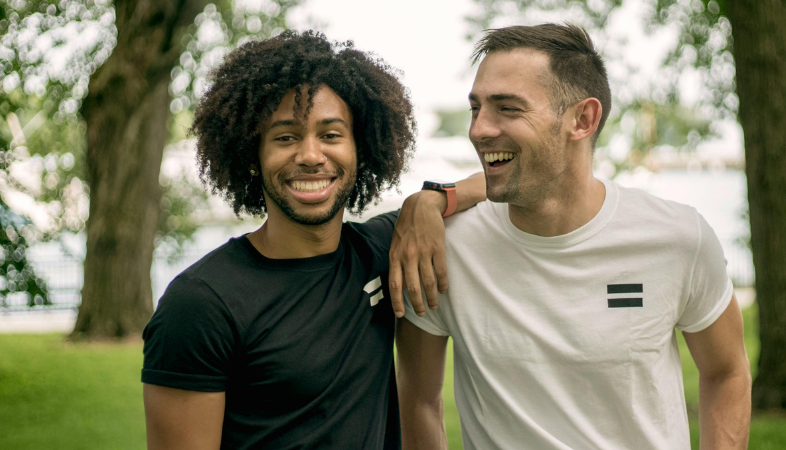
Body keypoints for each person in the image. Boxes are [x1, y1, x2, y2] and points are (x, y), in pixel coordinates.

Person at [394, 23, 752, 450]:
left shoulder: (678, 238)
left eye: (507, 108)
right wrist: (427, 202)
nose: (479, 129)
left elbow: (727, 372)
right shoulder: (443, 249)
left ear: (582, 119)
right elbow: (418, 400)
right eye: (476, 108)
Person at [141, 30, 484, 450]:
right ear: (253, 156)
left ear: (363, 149)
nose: (310, 155)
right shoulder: (201, 304)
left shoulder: (381, 249)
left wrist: (430, 199)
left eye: (331, 135)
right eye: (285, 137)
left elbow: (497, 184)